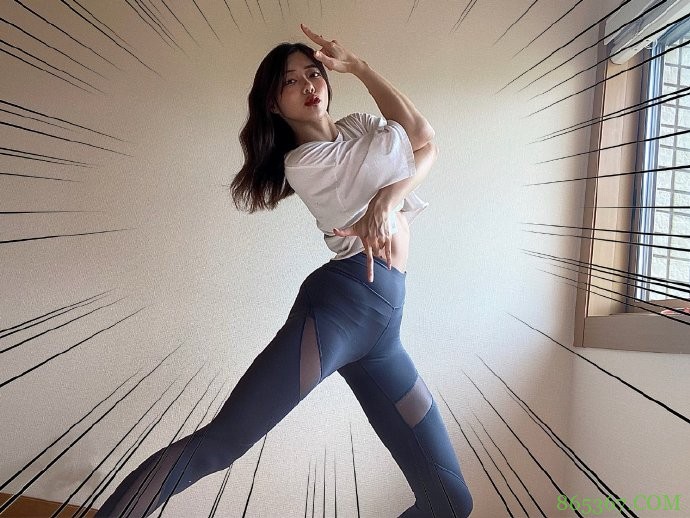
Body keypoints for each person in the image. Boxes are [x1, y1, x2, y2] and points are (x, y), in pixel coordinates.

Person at [94, 25, 473, 518]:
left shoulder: (360, 125)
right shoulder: (304, 162)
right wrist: (392, 190)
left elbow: (426, 142)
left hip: (385, 328)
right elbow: (419, 145)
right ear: (274, 103)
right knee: (222, 442)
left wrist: (359, 70)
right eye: (290, 81)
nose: (308, 84)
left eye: (313, 73)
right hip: (341, 310)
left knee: (450, 500)